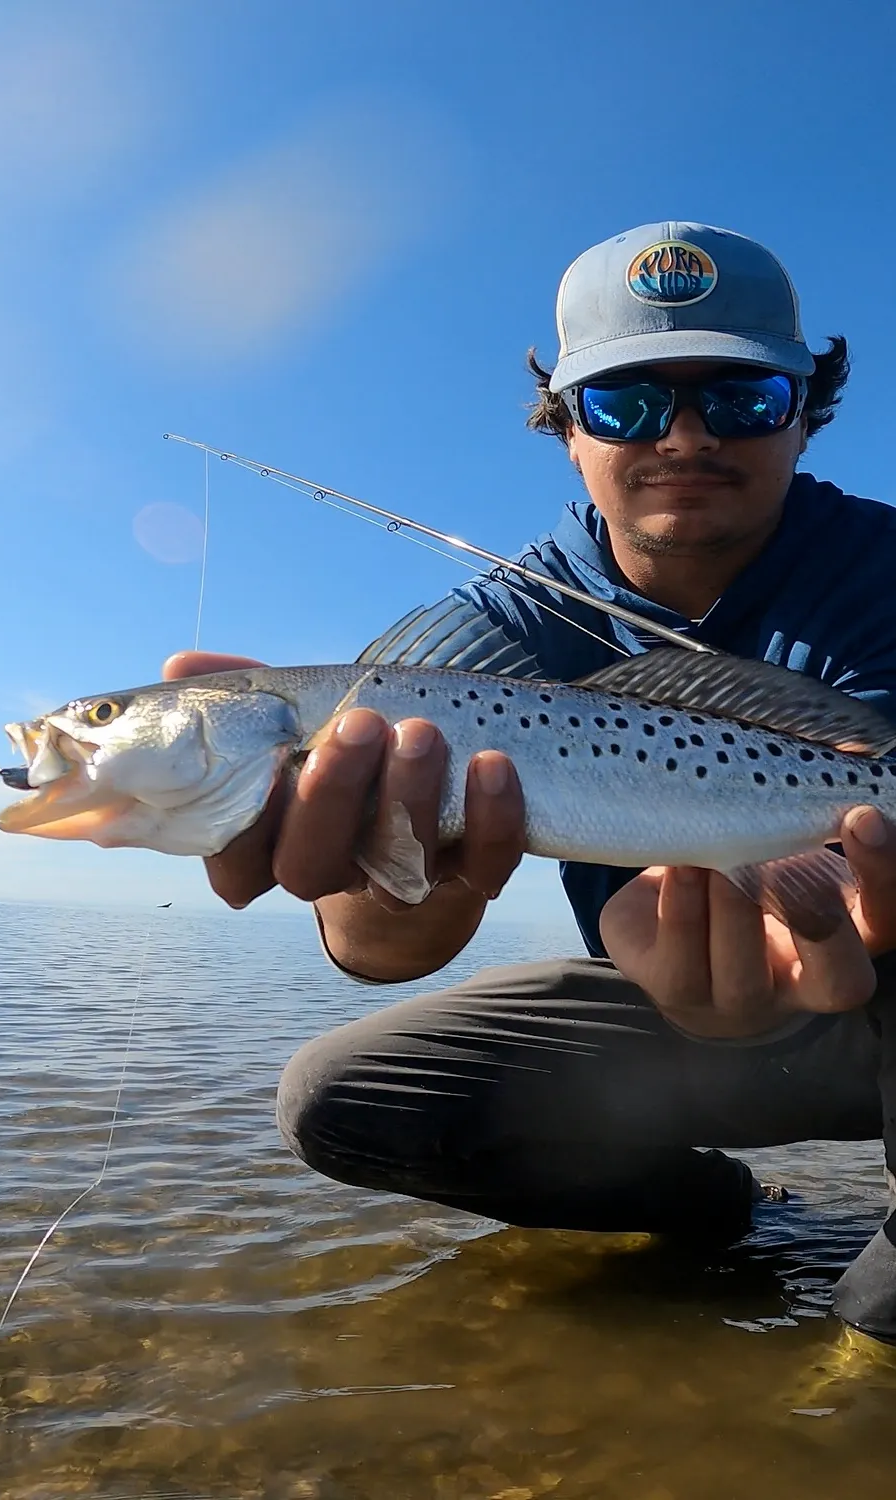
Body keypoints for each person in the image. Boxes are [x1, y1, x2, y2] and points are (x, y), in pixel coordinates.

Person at [164, 221, 896, 1345]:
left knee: (878, 1331)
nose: (686, 438)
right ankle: (724, 1214)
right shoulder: (475, 638)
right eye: (628, 406)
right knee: (343, 1097)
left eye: (741, 399)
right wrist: (409, 873)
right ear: (566, 430)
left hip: (871, 1000)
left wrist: (827, 919)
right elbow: (376, 951)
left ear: (805, 407)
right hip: (667, 1016)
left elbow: (848, 869)